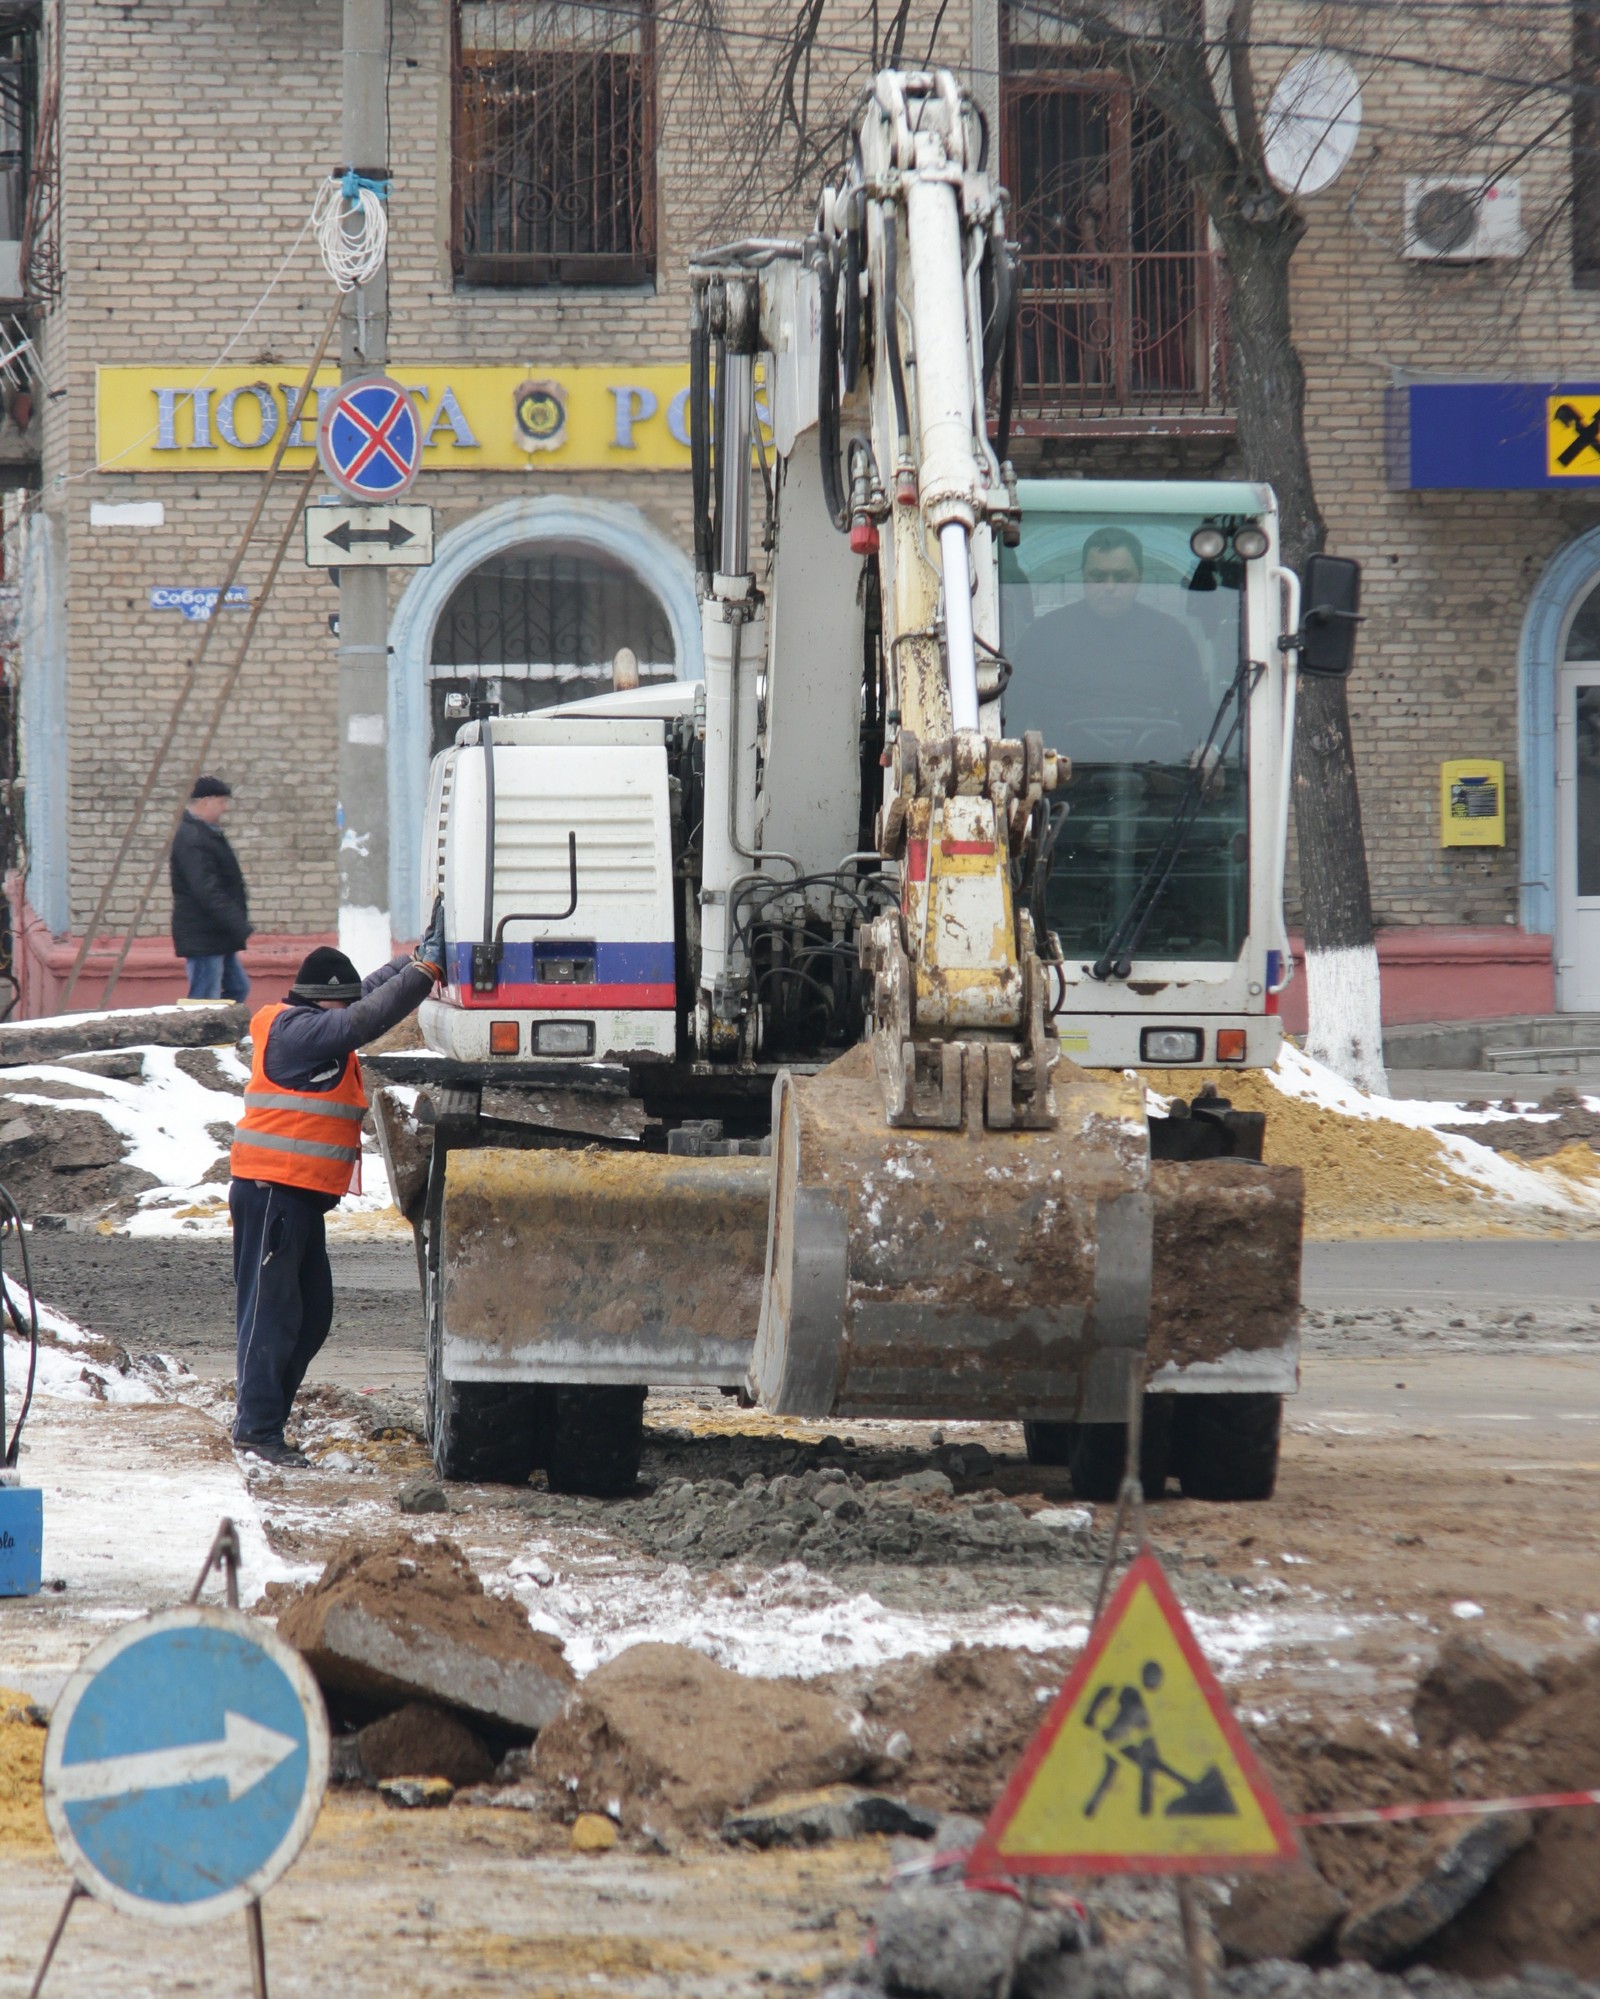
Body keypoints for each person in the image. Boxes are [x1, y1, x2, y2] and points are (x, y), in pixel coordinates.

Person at [228, 903, 447, 1468]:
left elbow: (367, 992)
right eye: (341, 1001)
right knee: (271, 1315)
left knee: (312, 1313)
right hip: (272, 1190)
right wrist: (423, 976)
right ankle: (257, 1432)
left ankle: (265, 1421)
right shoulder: (298, 1030)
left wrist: (414, 958)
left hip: (297, 1196)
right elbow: (362, 1018)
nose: (347, 1008)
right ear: (323, 1000)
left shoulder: (316, 1018)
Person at [1009, 526, 1213, 758]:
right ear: (1083, 576)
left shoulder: (1173, 638)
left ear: (1140, 577)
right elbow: (1015, 716)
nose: (1109, 587)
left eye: (1122, 577)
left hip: (1158, 782)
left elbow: (1199, 719)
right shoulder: (1043, 637)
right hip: (1062, 782)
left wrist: (1207, 750)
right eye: (1098, 577)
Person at [170, 776, 251, 1003]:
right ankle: (202, 1038)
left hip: (217, 934)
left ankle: (224, 1032)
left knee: (238, 988)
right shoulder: (192, 837)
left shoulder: (206, 832)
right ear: (206, 801)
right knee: (205, 999)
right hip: (203, 935)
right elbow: (206, 889)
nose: (224, 808)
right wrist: (235, 921)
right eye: (221, 802)